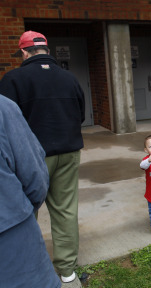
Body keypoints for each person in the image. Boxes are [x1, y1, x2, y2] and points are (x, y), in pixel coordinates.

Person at [0, 30, 85, 287]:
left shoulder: (12, 79)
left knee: (27, 210)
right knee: (66, 210)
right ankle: (67, 270)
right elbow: (80, 114)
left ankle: (31, 266)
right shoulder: (70, 78)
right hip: (69, 152)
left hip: (32, 156)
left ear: (24, 52)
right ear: (46, 50)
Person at [0, 95, 61, 288]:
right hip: (12, 240)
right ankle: (67, 267)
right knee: (65, 208)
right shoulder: (3, 107)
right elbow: (34, 177)